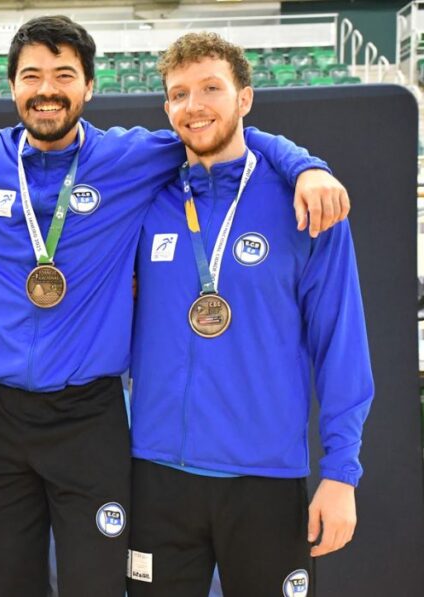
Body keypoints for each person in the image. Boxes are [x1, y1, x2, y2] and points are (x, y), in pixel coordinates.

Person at [0, 16, 349, 597]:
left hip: (88, 419)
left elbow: (215, 133)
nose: (46, 89)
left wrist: (305, 164)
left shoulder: (131, 156)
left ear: (90, 86)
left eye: (64, 75)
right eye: (31, 75)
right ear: (11, 86)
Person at [126, 32, 373, 597]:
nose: (194, 106)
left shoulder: (307, 204)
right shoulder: (145, 197)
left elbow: (340, 343)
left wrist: (342, 471)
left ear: (245, 98)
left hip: (265, 478)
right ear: (166, 107)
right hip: (158, 475)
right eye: (179, 93)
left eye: (211, 88)